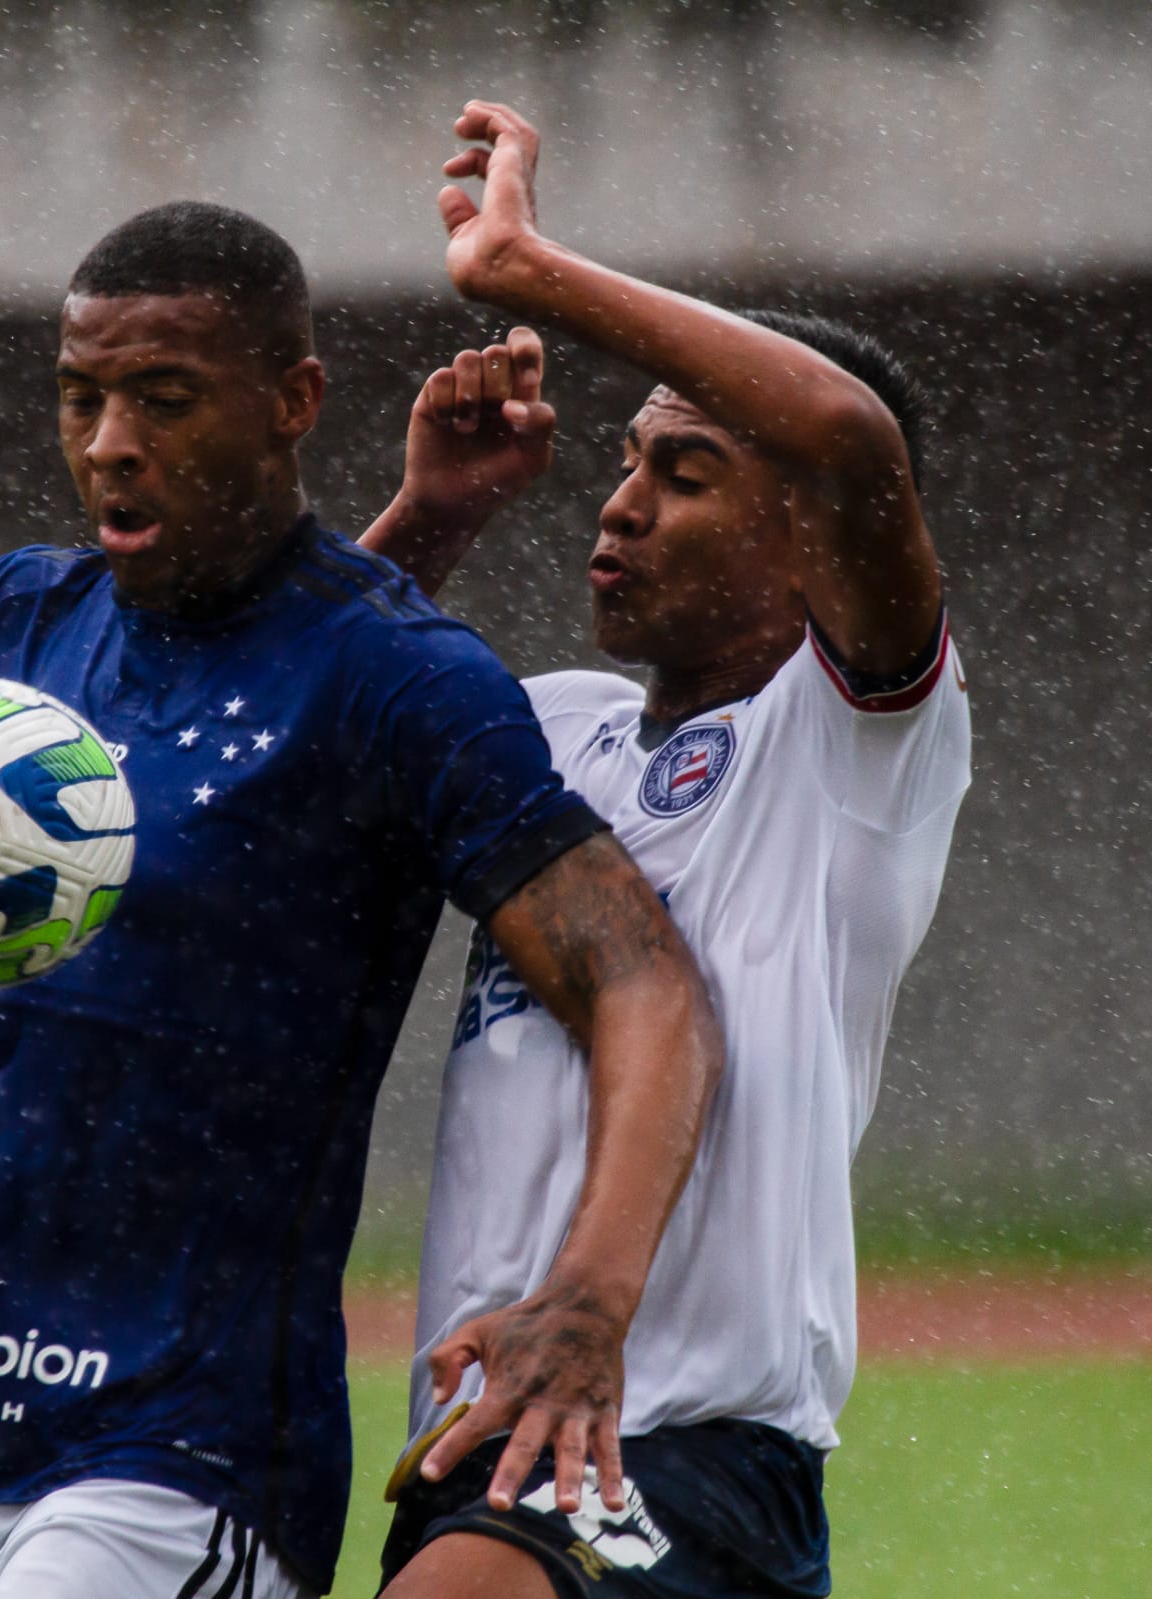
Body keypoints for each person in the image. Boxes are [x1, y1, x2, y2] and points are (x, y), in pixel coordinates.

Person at [0, 201, 721, 1599]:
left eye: (164, 398)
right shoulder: (7, 628)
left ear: (292, 404)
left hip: (172, 1461)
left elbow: (642, 983)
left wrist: (589, 1305)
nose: (110, 440)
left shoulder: (399, 680)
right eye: (82, 396)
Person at [363, 102, 972, 1599]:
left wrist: (524, 269)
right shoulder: (547, 728)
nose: (618, 508)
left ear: (807, 536)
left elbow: (845, 436)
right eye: (626, 464)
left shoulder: (854, 746)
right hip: (482, 1427)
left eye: (687, 475)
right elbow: (300, 720)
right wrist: (427, 524)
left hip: (685, 1441)